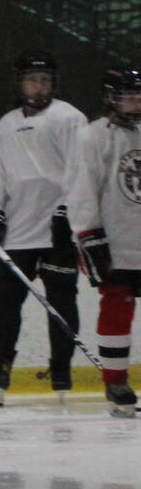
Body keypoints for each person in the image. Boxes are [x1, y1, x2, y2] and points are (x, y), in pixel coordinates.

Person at [0, 53, 86, 406]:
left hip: (58, 230)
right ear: (20, 83)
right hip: (17, 232)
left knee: (61, 302)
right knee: (4, 303)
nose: (40, 85)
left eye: (46, 79)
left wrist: (67, 212)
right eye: (33, 79)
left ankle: (61, 367)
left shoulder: (69, 118)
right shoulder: (1, 128)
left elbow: (81, 170)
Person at [65, 63, 141, 418]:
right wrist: (88, 234)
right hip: (116, 241)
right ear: (111, 99)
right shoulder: (93, 136)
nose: (135, 102)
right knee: (116, 308)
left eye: (139, 95)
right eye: (127, 96)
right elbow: (82, 189)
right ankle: (115, 380)